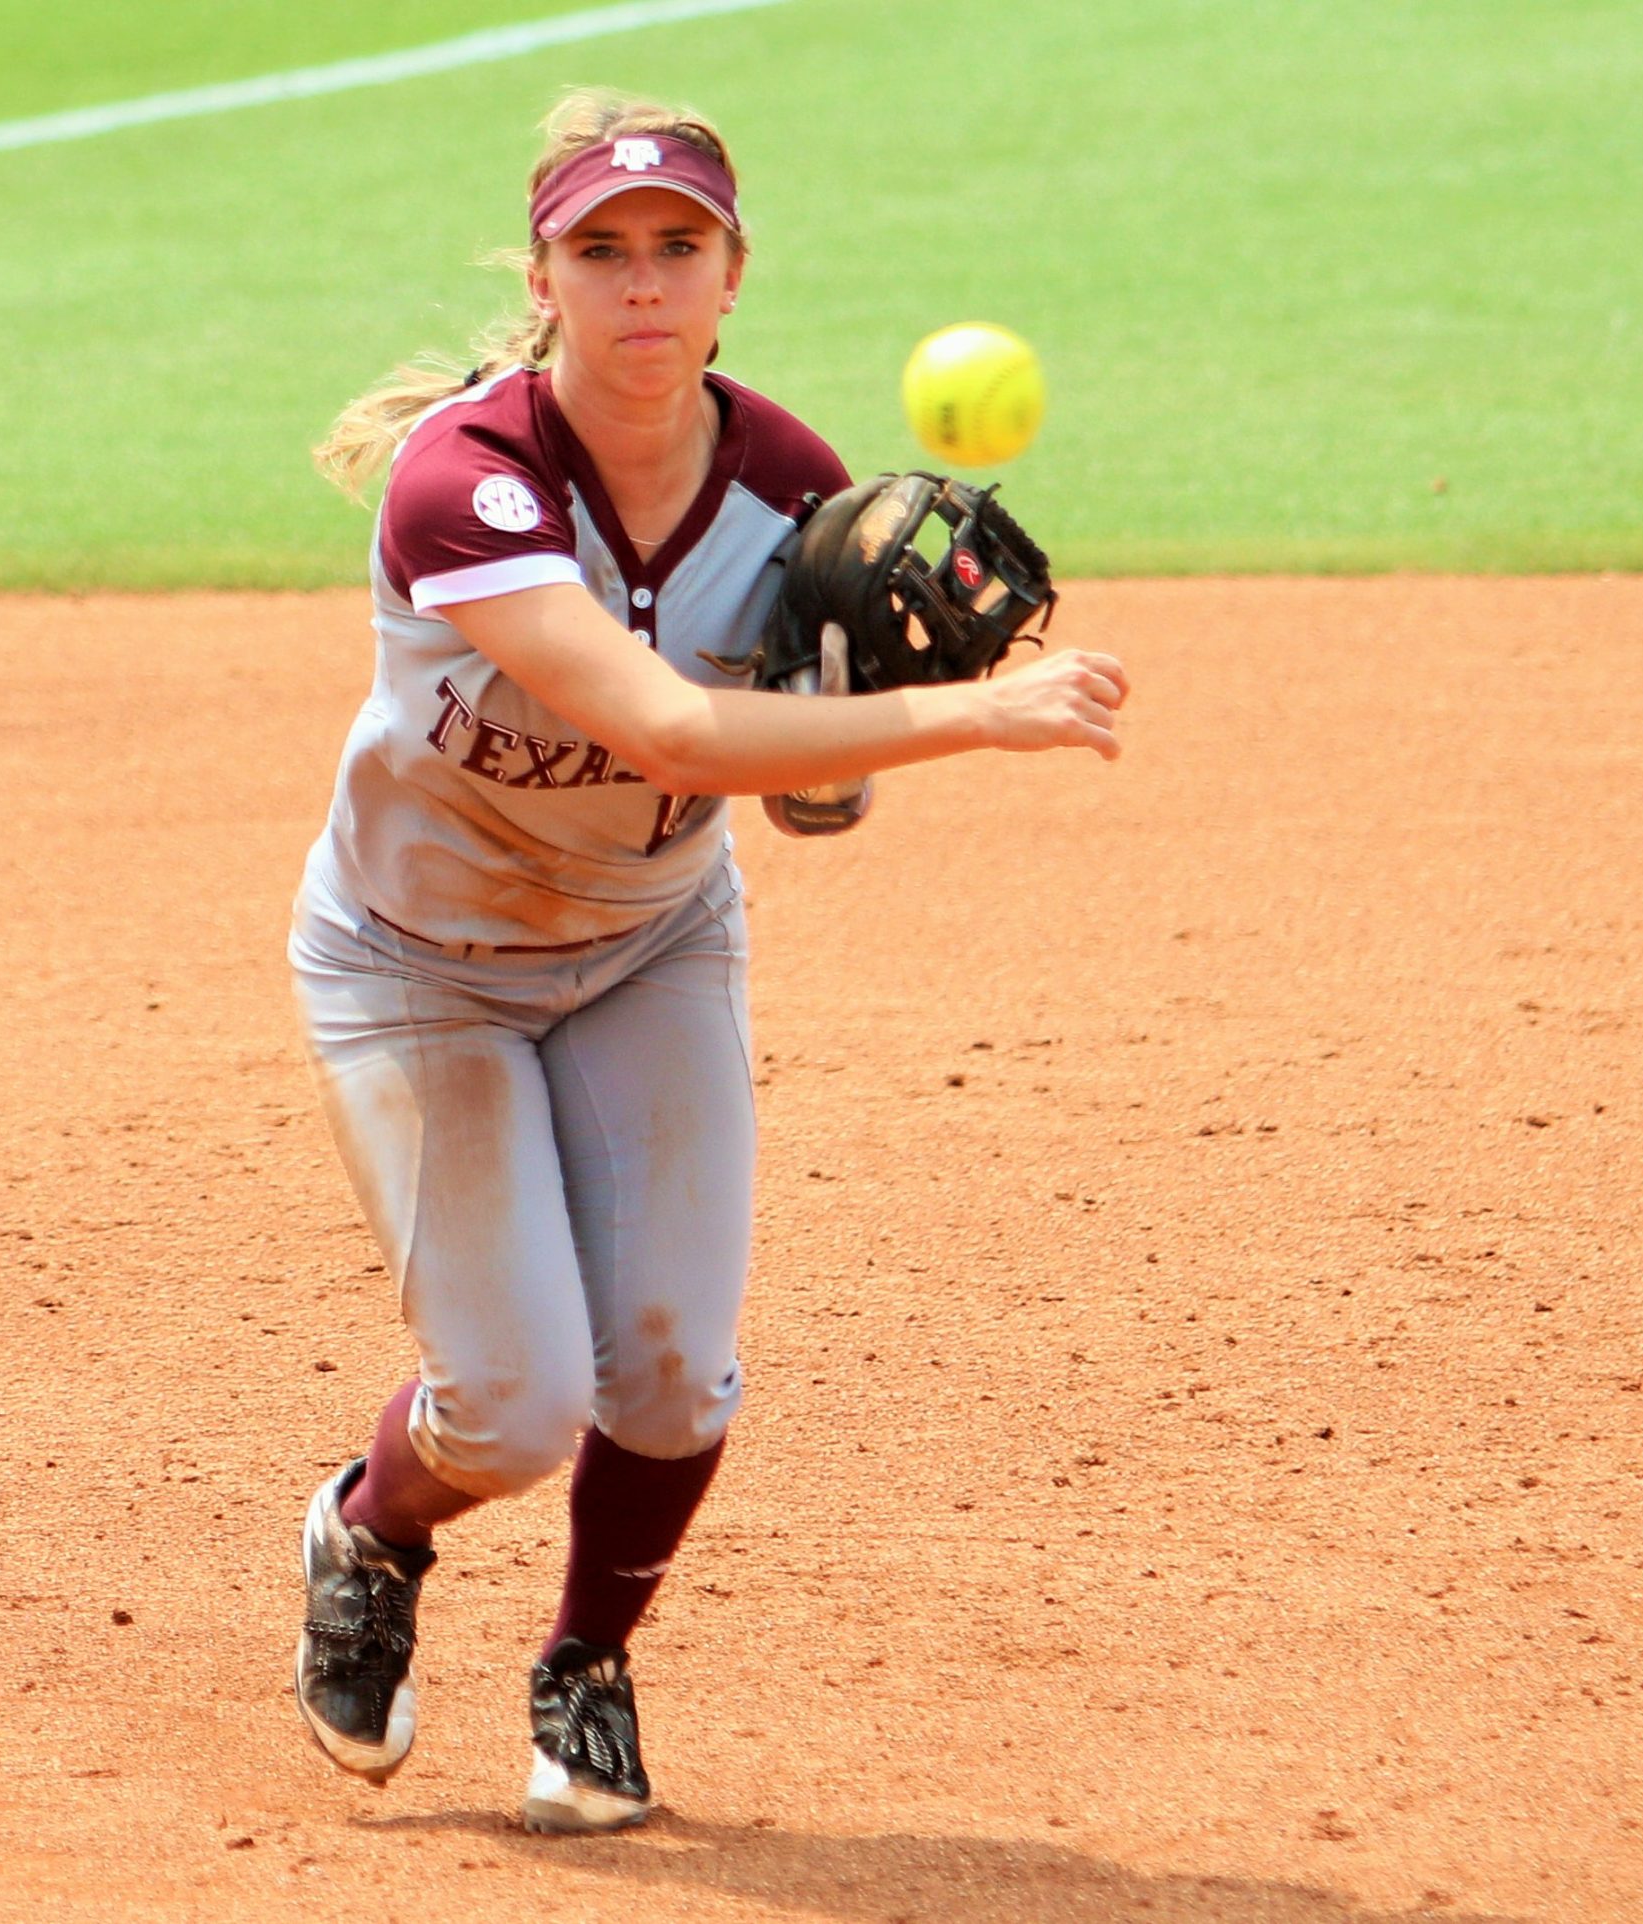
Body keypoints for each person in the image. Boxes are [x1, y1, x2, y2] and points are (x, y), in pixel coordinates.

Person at [288, 89, 1128, 1835]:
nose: (644, 284)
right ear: (548, 275)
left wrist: (831, 757)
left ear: (733, 278)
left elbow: (794, 781)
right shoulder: (471, 480)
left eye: (680, 250)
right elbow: (666, 720)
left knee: (668, 1364)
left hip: (648, 946)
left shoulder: (793, 488)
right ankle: (372, 1529)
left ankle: (586, 1667)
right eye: (605, 251)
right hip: (415, 966)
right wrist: (976, 712)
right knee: (512, 1413)